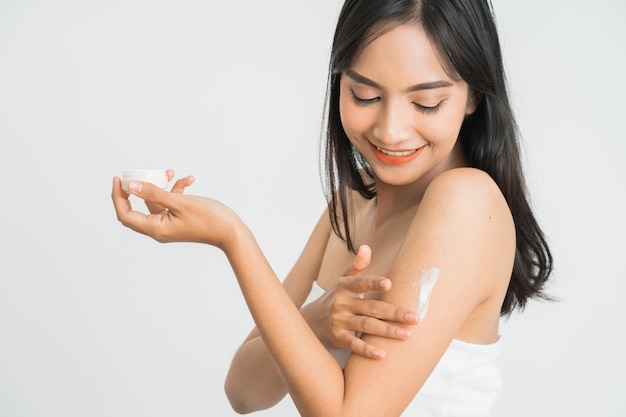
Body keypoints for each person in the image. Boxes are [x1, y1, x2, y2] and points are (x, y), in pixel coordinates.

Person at [111, 0, 553, 415]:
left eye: (426, 103)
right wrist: (316, 323)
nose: (391, 130)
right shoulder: (350, 205)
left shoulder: (467, 201)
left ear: (473, 95)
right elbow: (243, 391)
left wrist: (233, 238)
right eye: (364, 95)